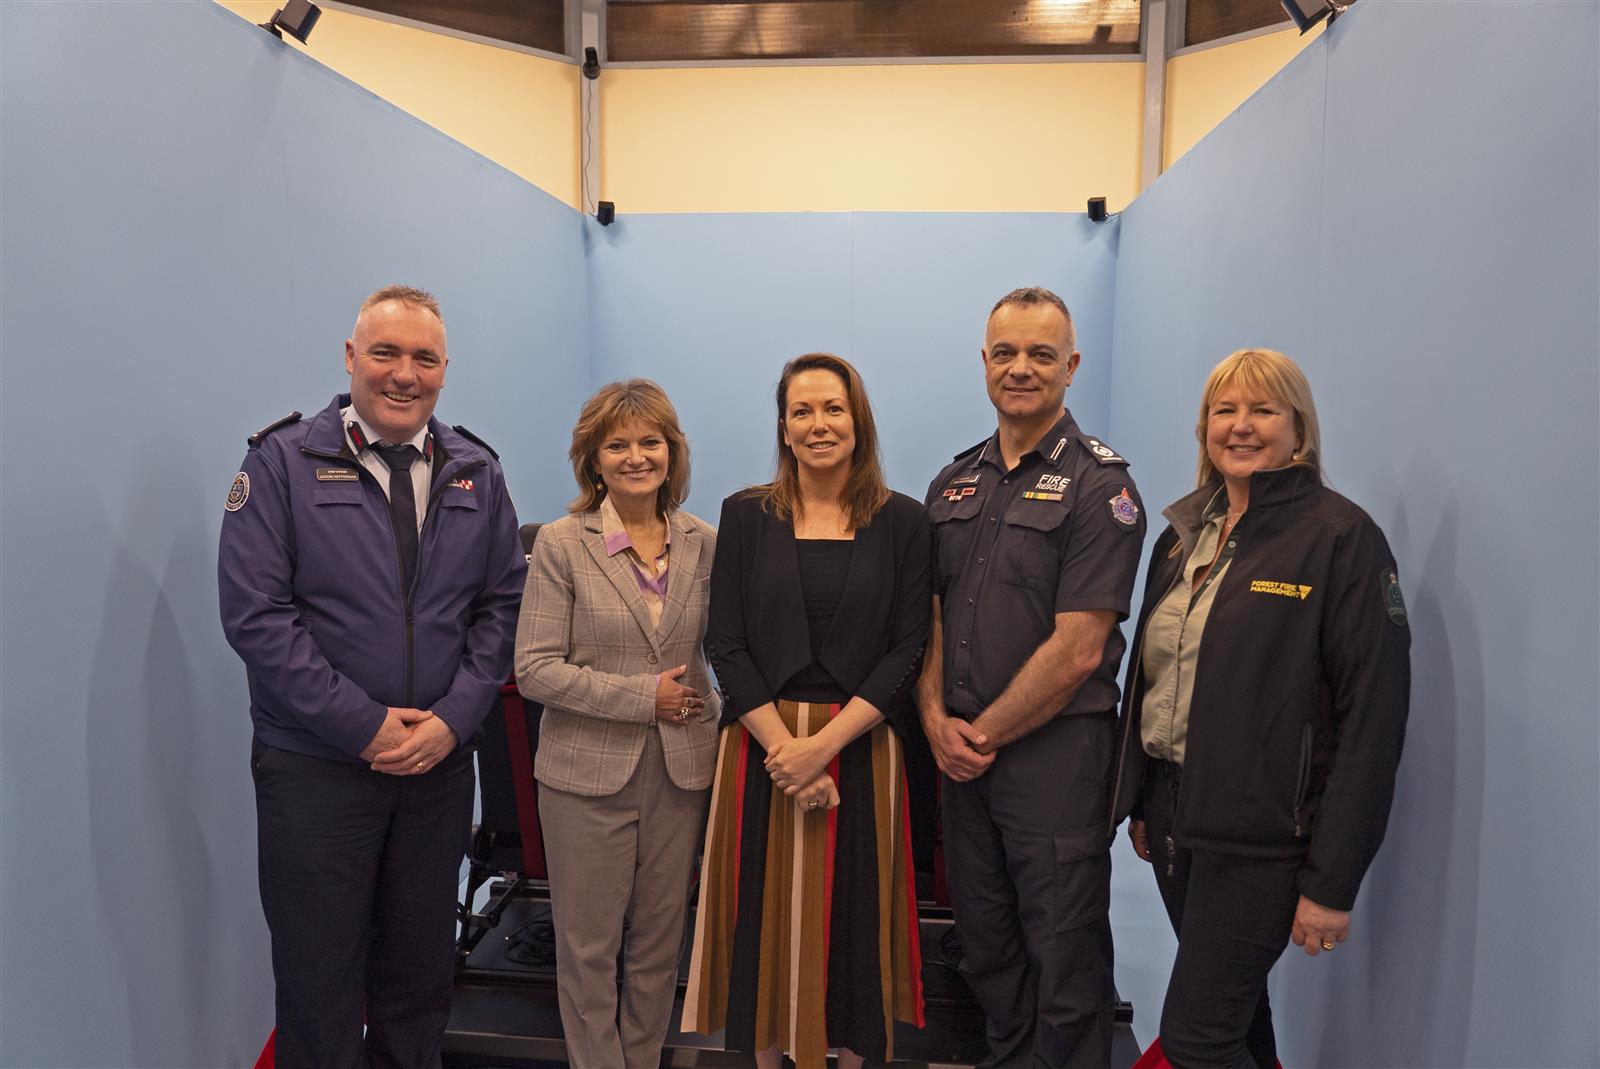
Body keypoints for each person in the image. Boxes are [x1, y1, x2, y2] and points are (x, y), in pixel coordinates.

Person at [218, 285, 526, 1068]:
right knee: (320, 980)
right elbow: (257, 616)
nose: (403, 373)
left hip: (437, 768)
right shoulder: (281, 462)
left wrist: (455, 719)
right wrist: (366, 725)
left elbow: (502, 610)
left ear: (444, 371)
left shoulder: (475, 472)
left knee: (419, 976)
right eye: (385, 352)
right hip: (318, 771)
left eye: (423, 357)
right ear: (351, 358)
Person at [1111, 349, 1411, 1069]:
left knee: (1197, 1039)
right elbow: (1159, 679)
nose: (1240, 426)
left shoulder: (1341, 539)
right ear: (1204, 428)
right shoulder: (1183, 537)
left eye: (1263, 409)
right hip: (1179, 818)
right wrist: (1143, 801)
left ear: (1298, 429)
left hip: (1265, 839)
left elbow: (1373, 721)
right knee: (1241, 1020)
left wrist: (1331, 883)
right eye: (1224, 410)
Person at [682, 353, 930, 1069]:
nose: (818, 423)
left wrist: (821, 748)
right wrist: (787, 748)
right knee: (765, 924)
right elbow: (725, 643)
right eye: (802, 411)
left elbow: (907, 647)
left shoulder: (905, 521)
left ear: (858, 422)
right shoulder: (745, 515)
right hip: (761, 747)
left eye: (833, 408)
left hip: (861, 745)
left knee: (852, 922)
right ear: (784, 428)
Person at [919, 286, 1145, 1068]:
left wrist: (978, 732)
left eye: (1041, 354)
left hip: (1055, 761)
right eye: (1006, 353)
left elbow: (1080, 645)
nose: (1021, 368)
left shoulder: (1101, 487)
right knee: (986, 945)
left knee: (1065, 957)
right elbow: (933, 622)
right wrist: (933, 719)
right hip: (962, 759)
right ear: (984, 362)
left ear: (1071, 366)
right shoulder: (952, 483)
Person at [514, 379, 719, 1069]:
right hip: (585, 777)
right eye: (618, 443)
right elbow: (536, 669)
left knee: (661, 946)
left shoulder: (704, 543)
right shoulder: (561, 545)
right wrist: (643, 697)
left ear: (672, 451)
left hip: (682, 770)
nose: (636, 456)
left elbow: (723, 654)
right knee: (589, 950)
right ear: (593, 459)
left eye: (650, 442)